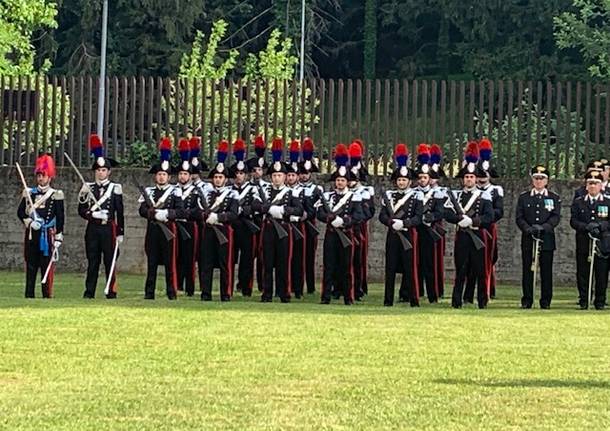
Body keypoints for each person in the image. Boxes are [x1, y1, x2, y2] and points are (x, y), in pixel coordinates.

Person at [252, 138, 304, 303]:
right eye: (274, 175)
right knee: (267, 262)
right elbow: (254, 204)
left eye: (279, 175)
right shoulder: (265, 191)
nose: (276, 178)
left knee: (283, 263)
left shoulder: (290, 193)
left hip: (283, 229)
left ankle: (284, 293)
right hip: (268, 229)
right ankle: (267, 293)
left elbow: (299, 210)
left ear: (284, 177)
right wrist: (264, 209)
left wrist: (282, 210)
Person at [444, 142, 494, 309]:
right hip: (463, 236)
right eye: (466, 177)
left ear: (476, 178)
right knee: (461, 270)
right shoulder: (456, 196)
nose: (469, 179)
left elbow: (489, 216)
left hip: (477, 235)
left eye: (472, 177)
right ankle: (457, 301)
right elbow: (447, 213)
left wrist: (473, 221)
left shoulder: (484, 196)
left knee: (480, 270)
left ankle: (482, 301)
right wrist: (459, 220)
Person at [138, 138, 185, 300]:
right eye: (159, 174)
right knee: (151, 262)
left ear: (169, 177)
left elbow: (180, 211)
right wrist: (152, 214)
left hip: (168, 229)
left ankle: (171, 292)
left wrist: (166, 214)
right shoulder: (149, 191)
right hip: (153, 229)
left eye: (164, 174)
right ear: (155, 176)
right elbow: (142, 210)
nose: (161, 177)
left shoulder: (175, 192)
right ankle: (149, 293)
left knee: (169, 262)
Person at [78, 134, 124, 299]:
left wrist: (120, 232)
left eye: (104, 170)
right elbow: (81, 209)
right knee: (93, 260)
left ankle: (111, 290)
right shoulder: (88, 188)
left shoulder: (115, 188)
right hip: (93, 228)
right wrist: (91, 214)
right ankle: (89, 291)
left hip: (108, 228)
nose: (101, 173)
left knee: (110, 261)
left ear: (109, 172)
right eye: (98, 170)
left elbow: (120, 211)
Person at [316, 144, 363, 305]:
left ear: (347, 181)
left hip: (346, 234)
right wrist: (329, 219)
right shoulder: (328, 196)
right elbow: (320, 213)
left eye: (343, 180)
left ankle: (348, 297)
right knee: (329, 266)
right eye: (338, 180)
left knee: (346, 267)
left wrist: (344, 221)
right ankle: (325, 296)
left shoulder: (354, 197)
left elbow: (359, 215)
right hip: (331, 234)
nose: (340, 182)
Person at [379, 143, 423, 307]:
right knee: (389, 268)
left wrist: (404, 223)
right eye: (399, 180)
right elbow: (382, 215)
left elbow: (418, 218)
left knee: (410, 268)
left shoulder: (416, 196)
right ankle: (388, 300)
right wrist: (391, 222)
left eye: (404, 180)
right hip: (393, 235)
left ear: (409, 181)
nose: (402, 182)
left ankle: (413, 299)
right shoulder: (389, 195)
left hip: (408, 235)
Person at [17, 154, 64, 298]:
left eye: (43, 176)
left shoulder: (56, 195)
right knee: (31, 264)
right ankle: (29, 293)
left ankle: (46, 294)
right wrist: (30, 222)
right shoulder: (29, 193)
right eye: (38, 176)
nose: (40, 179)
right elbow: (20, 212)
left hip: (47, 233)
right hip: (32, 234)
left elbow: (60, 217)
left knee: (46, 266)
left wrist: (58, 236)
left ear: (49, 177)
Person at [197, 140, 239, 301]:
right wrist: (205, 217)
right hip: (208, 230)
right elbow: (198, 210)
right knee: (206, 263)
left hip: (223, 230)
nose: (218, 180)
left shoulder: (232, 194)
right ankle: (205, 293)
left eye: (221, 177)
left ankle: (225, 294)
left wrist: (219, 217)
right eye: (216, 177)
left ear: (226, 179)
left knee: (225, 265)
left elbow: (234, 214)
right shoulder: (206, 193)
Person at [515, 165, 561, 309]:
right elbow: (519, 217)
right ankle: (527, 299)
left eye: (542, 178)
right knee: (528, 270)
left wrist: (544, 228)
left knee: (546, 271)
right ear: (532, 180)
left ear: (547, 181)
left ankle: (546, 300)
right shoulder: (524, 197)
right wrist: (528, 229)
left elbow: (555, 217)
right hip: (529, 237)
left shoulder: (554, 198)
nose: (539, 181)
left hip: (546, 238)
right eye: (536, 178)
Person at [570, 169, 610, 309]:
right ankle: (584, 300)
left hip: (601, 242)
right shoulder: (579, 202)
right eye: (590, 183)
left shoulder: (607, 202)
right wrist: (586, 226)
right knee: (583, 272)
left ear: (601, 186)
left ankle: (599, 301)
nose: (593, 186)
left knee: (601, 273)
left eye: (596, 183)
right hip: (584, 241)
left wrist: (600, 225)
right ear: (586, 186)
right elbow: (573, 221)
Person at [229, 138, 259, 297]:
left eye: (242, 173)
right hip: (233, 226)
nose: (239, 176)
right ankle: (228, 286)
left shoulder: (253, 189)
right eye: (237, 174)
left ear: (247, 175)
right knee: (230, 257)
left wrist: (241, 209)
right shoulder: (229, 190)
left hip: (247, 227)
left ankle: (245, 286)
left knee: (247, 258)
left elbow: (255, 205)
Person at [414, 144, 444, 303]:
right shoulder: (412, 193)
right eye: (420, 177)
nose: (422, 180)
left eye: (425, 177)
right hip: (415, 230)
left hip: (429, 230)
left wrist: (429, 218)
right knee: (414, 264)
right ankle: (414, 292)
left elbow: (441, 212)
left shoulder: (437, 193)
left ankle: (433, 294)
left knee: (429, 263)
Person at [172, 138, 200, 296]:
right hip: (176, 225)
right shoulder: (173, 190)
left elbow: (198, 210)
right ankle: (177, 285)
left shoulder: (196, 191)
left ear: (190, 176)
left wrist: (186, 214)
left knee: (190, 257)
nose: (183, 176)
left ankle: (190, 288)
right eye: (181, 174)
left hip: (189, 225)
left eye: (185, 174)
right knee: (176, 257)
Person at [348, 140, 375, 300]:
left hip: (359, 227)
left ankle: (358, 287)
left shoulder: (365, 191)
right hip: (345, 226)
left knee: (358, 259)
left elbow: (369, 211)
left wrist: (356, 219)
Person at [297, 137, 323, 294]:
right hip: (297, 225)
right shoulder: (293, 189)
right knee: (297, 257)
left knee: (310, 257)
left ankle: (311, 286)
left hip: (310, 224)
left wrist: (308, 215)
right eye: (301, 173)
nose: (303, 176)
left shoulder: (317, 189)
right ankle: (297, 286)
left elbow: (319, 207)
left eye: (306, 173)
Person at [246, 135, 270, 292]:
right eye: (254, 170)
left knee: (264, 256)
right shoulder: (246, 187)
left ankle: (263, 285)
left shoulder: (268, 187)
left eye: (259, 170)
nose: (257, 173)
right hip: (249, 223)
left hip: (264, 222)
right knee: (248, 255)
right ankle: (246, 285)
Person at [286, 140, 307, 299]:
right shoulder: (284, 191)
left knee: (298, 259)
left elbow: (308, 209)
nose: (291, 177)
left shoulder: (303, 191)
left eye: (294, 175)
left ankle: (298, 288)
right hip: (285, 225)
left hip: (299, 225)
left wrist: (300, 215)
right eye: (290, 175)